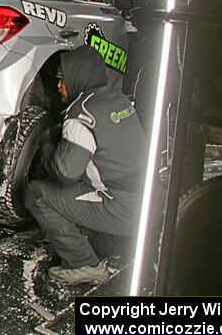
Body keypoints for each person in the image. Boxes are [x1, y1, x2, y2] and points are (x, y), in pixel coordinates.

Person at [24, 45, 147, 284]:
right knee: (91, 176)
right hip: (149, 202)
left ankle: (84, 264)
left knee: (36, 194)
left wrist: (49, 147)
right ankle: (110, 239)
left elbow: (65, 173)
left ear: (78, 76)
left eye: (62, 80)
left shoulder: (82, 114)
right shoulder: (116, 99)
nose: (58, 86)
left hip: (123, 208)